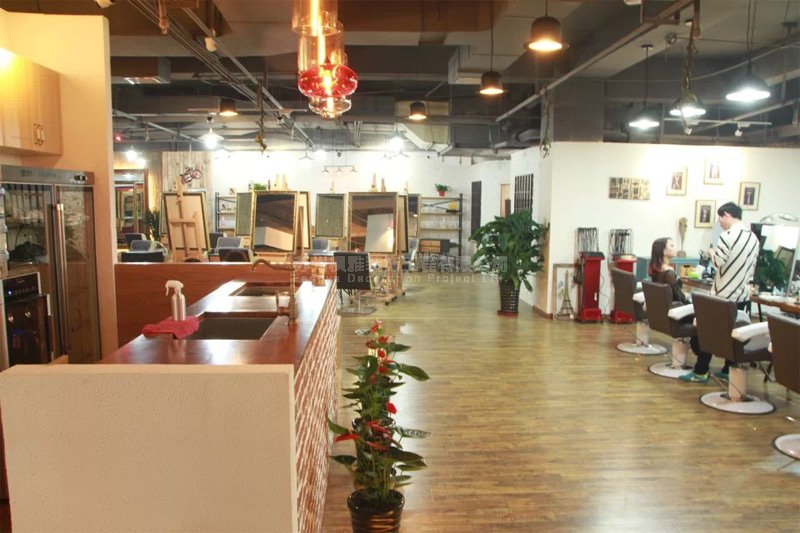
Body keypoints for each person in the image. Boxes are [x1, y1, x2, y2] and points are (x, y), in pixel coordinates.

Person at [679, 201, 760, 383]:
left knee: (709, 332)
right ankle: (727, 369)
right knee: (733, 333)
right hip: (741, 294)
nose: (720, 223)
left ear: (727, 215)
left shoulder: (727, 236)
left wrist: (711, 252)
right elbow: (752, 268)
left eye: (720, 218)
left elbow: (718, 262)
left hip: (722, 294)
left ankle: (701, 371)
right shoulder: (753, 238)